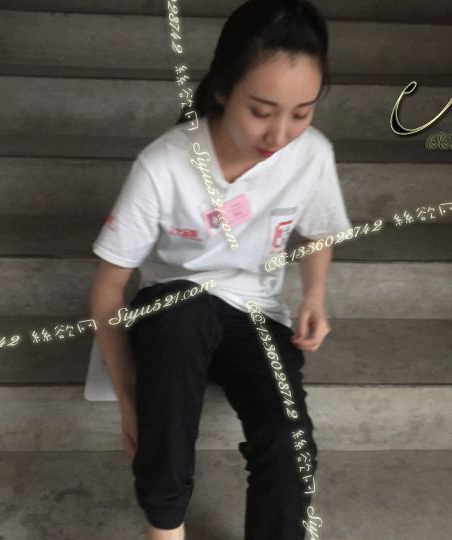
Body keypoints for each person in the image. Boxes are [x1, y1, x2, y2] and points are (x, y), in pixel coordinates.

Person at [89, 0, 351, 538]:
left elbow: (318, 230)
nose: (280, 135)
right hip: (175, 309)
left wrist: (314, 294)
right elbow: (108, 290)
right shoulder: (164, 165)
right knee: (171, 378)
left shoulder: (312, 155)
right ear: (223, 89)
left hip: (257, 314)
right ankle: (165, 529)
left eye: (301, 113)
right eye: (262, 111)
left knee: (288, 441)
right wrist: (130, 400)